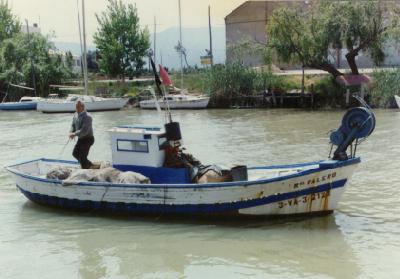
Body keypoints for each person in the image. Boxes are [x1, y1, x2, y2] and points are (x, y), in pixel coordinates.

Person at [69, 100, 94, 169]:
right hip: (81, 139)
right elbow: (73, 125)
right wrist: (71, 132)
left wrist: (74, 134)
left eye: (78, 107)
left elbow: (84, 131)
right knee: (75, 153)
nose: (76, 108)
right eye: (76, 107)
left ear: (83, 107)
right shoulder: (75, 115)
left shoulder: (87, 117)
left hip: (88, 139)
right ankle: (89, 165)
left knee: (82, 157)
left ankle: (86, 169)